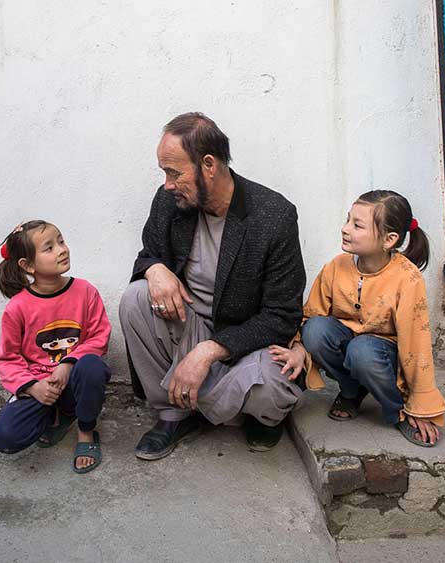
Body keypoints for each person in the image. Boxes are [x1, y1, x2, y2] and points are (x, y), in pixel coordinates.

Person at [119, 112, 306, 460]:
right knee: (136, 298)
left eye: (174, 172)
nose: (167, 184)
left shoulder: (274, 215)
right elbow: (149, 253)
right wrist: (154, 268)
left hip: (244, 345)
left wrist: (208, 353)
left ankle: (222, 405)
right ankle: (175, 412)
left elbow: (281, 316)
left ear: (209, 164)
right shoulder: (170, 202)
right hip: (188, 329)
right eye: (164, 173)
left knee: (274, 388)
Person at [269, 190, 445, 447]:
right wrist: (298, 349)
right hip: (348, 342)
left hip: (382, 353)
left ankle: (397, 409)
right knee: (316, 331)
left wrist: (420, 404)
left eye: (357, 225)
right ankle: (352, 390)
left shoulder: (407, 279)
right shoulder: (336, 266)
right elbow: (311, 314)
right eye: (347, 220)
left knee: (362, 351)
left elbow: (415, 344)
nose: (345, 229)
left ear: (389, 239)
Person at [0, 220, 112, 473]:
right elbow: (8, 359)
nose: (62, 249)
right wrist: (33, 388)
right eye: (49, 248)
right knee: (5, 438)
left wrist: (68, 364)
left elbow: (99, 336)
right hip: (41, 387)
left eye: (61, 241)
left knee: (92, 366)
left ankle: (86, 431)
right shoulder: (18, 308)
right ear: (28, 265)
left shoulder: (85, 291)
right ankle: (55, 415)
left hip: (74, 380)